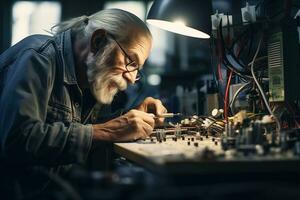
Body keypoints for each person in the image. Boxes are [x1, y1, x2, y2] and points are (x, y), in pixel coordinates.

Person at [0, 8, 167, 196]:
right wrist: (110, 130)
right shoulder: (38, 58)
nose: (131, 78)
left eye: (138, 69)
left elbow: (74, 136)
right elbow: (17, 140)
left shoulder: (90, 76)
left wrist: (126, 120)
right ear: (98, 41)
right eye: (131, 62)